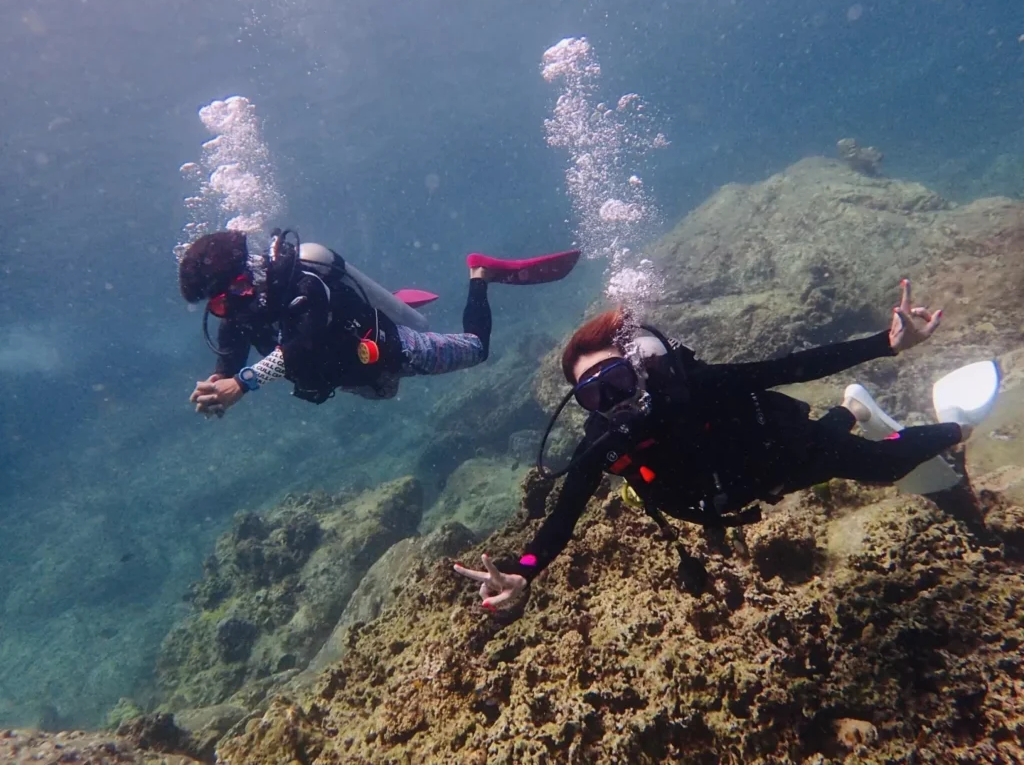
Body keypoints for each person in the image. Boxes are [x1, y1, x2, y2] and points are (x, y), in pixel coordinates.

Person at [454, 280, 964, 609]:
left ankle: (958, 425)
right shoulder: (604, 443)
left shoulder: (699, 387)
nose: (611, 400)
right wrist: (526, 571)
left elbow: (795, 366)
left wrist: (887, 344)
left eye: (614, 379)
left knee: (884, 467)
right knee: (838, 443)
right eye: (593, 394)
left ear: (637, 369)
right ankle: (854, 410)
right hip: (745, 492)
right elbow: (562, 517)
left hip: (784, 455)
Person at [178, 229, 581, 415]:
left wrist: (244, 383)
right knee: (385, 393)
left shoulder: (305, 283)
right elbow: (232, 345)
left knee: (477, 350)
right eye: (215, 308)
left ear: (243, 276)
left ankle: (480, 275)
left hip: (395, 351)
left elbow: (304, 345)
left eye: (226, 298)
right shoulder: (239, 309)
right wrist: (220, 379)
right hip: (360, 377)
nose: (227, 312)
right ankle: (385, 305)